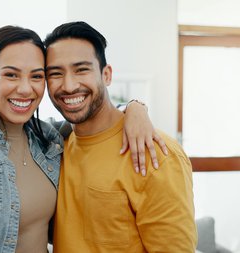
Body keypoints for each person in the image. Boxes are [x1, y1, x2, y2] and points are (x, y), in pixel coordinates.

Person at [0, 20, 165, 253]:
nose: (25, 89)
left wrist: (134, 108)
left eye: (37, 76)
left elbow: (94, 119)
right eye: (10, 74)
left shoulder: (49, 138)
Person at [45, 21, 197, 252]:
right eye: (55, 74)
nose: (68, 85)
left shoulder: (155, 151)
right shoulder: (54, 145)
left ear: (106, 75)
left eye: (81, 70)